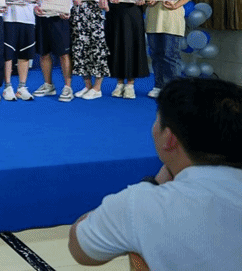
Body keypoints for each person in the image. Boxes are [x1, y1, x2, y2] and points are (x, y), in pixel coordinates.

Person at [69, 78, 242, 270]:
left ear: (169, 139)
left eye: (157, 120)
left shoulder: (142, 205)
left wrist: (155, 183)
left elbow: (81, 247)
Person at [145, 0, 193, 98]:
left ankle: (174, 90)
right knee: (156, 56)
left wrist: (176, 5)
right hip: (153, 21)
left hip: (172, 21)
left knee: (171, 56)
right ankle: (158, 86)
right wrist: (149, 1)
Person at [70, 0, 110, 100]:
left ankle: (97, 88)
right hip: (78, 13)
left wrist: (104, 4)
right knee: (80, 49)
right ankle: (87, 86)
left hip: (95, 13)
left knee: (97, 48)